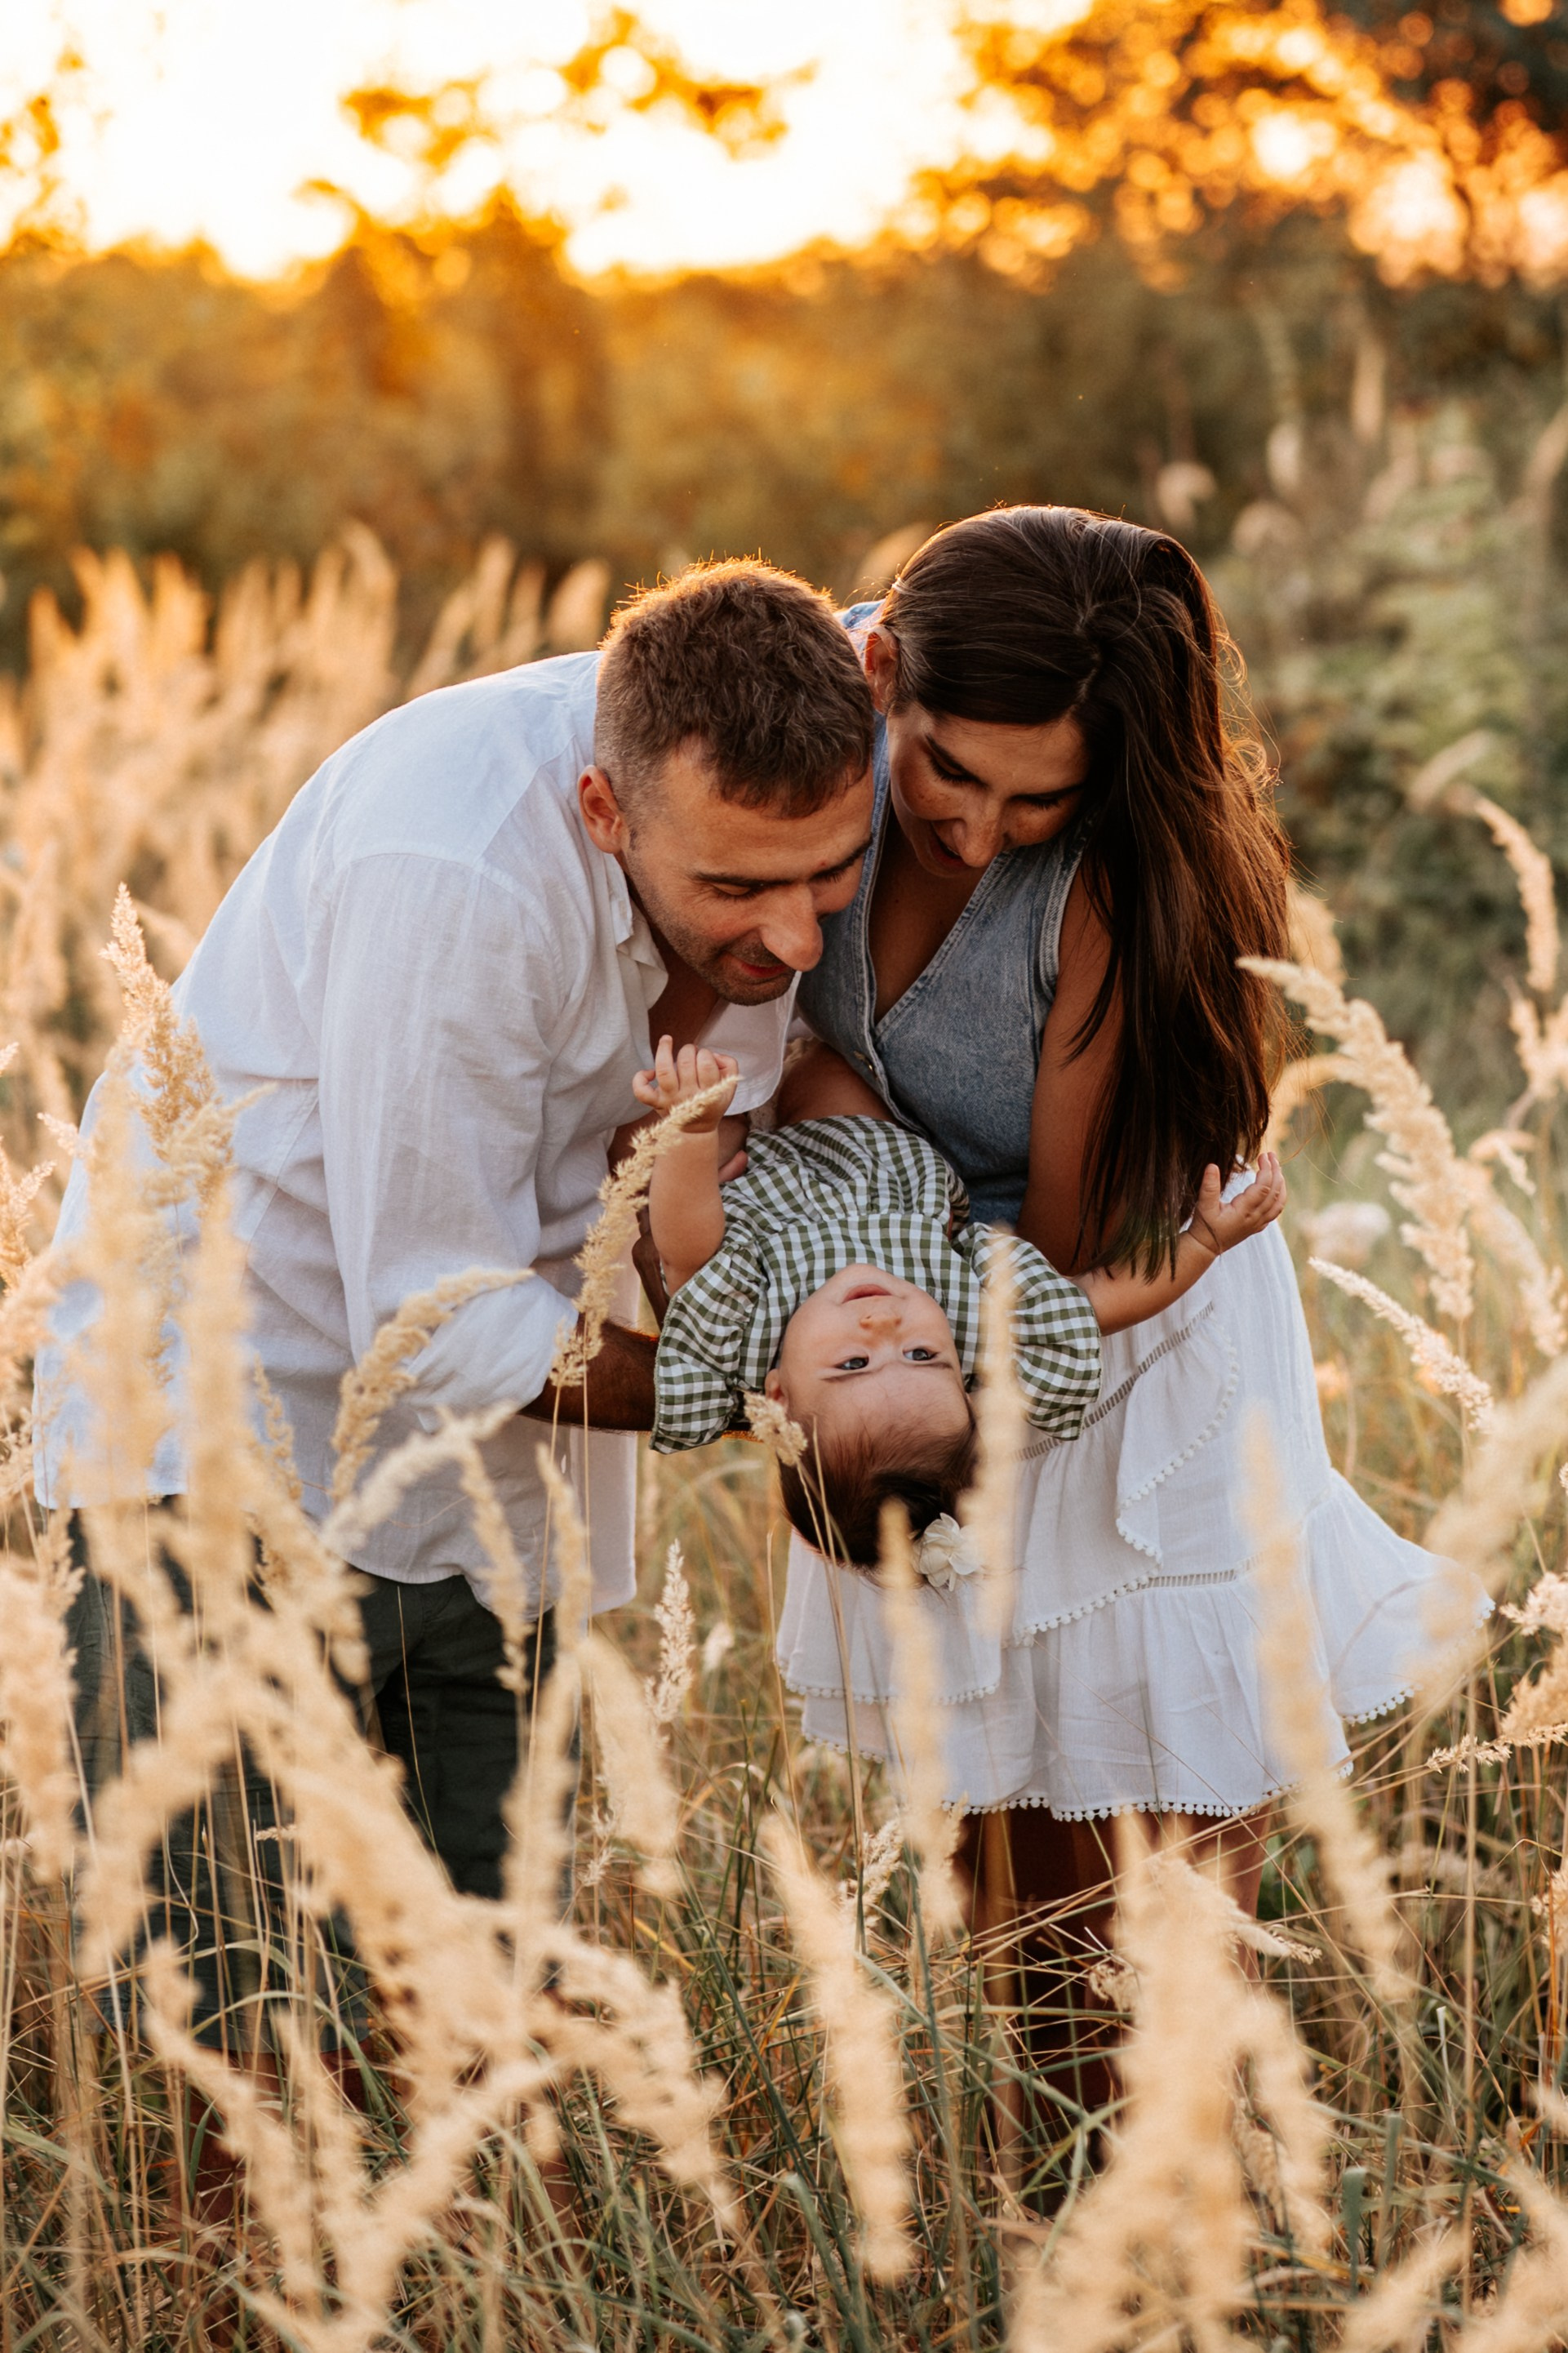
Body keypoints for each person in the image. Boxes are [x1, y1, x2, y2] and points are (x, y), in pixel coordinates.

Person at [35, 558, 877, 2047]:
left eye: (831, 874)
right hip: (231, 1444)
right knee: (239, 2044)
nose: (799, 938)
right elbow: (428, 1308)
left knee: (495, 2026)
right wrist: (737, 1390)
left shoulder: (797, 760)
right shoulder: (457, 870)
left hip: (491, 1491)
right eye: (741, 889)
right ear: (604, 813)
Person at [770, 507, 1487, 2106]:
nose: (980, 829)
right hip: (926, 1335)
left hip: (1118, 1326)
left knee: (1143, 1909)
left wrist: (855, 1181)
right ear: (887, 677)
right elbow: (767, 1050)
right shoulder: (804, 749)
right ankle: (1059, 2237)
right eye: (952, 771)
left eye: (1043, 796)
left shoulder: (1098, 887)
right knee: (1003, 1889)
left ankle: (1186, 2238)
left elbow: (1070, 1241)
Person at [633, 1034, 1285, 1572]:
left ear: (776, 1399)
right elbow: (1099, 1300)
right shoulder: (973, 1322)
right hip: (862, 1152)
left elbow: (686, 1245)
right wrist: (1202, 1241)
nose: (883, 1324)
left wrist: (690, 1136)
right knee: (821, 1059)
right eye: (921, 1354)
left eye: (853, 1364)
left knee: (707, 1108)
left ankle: (724, 1090)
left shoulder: (742, 1338)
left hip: (738, 1182)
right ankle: (794, 1049)